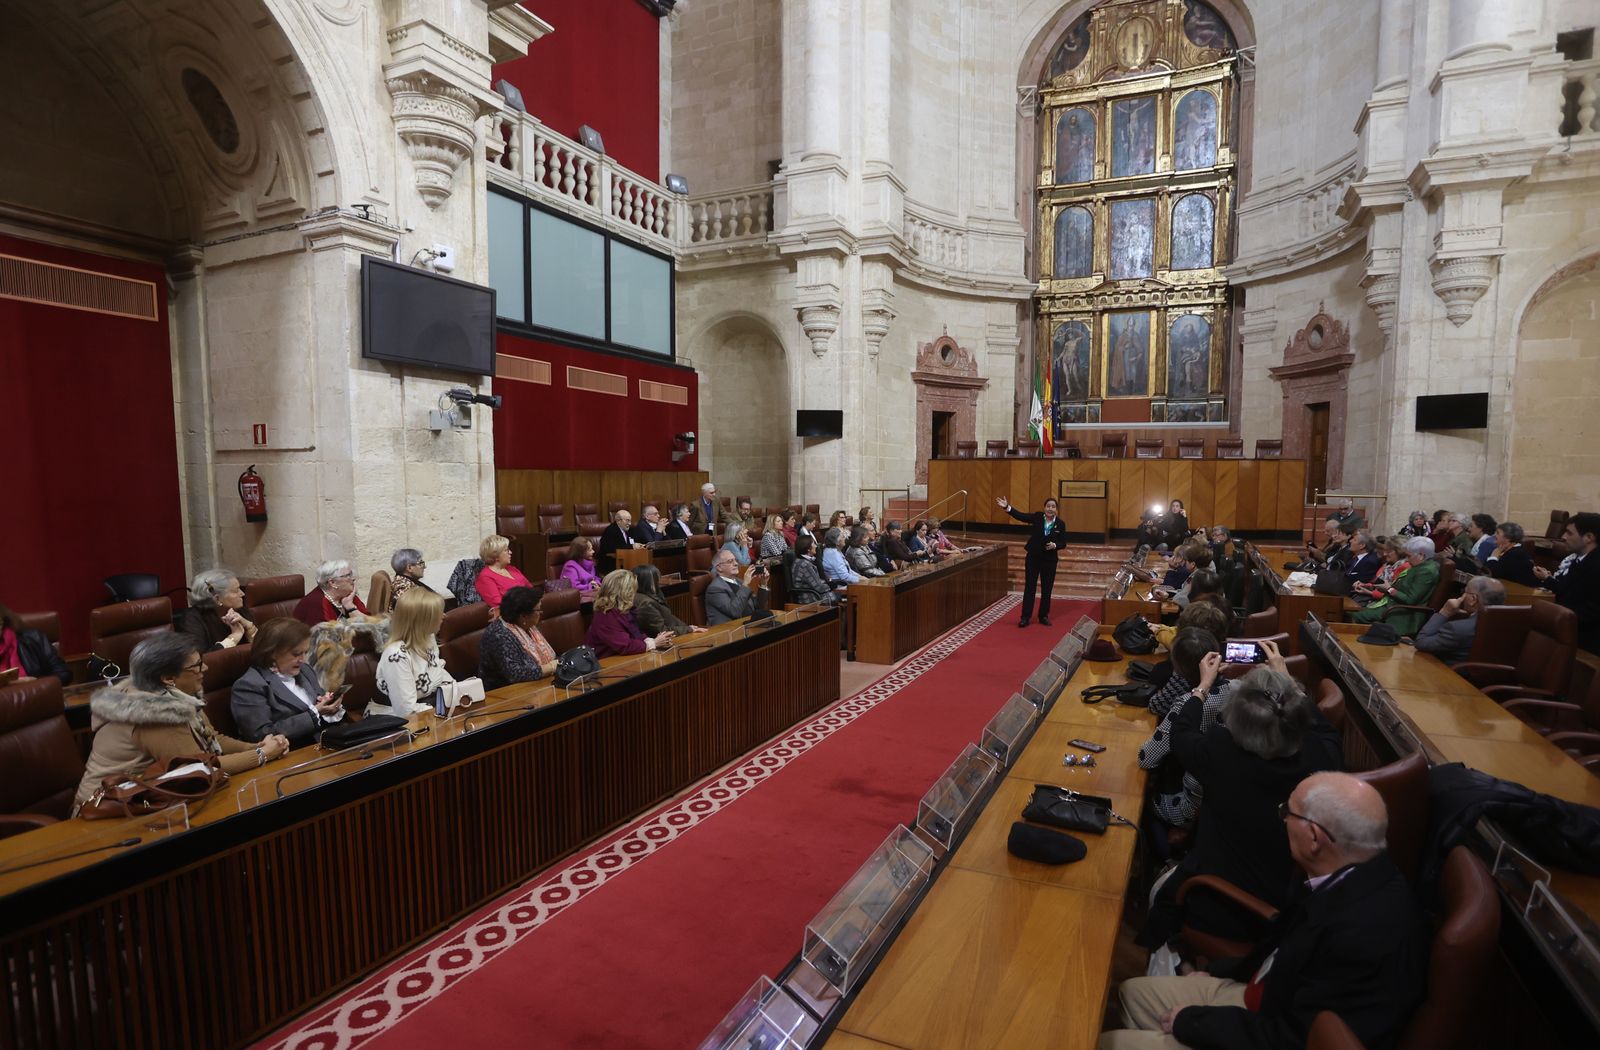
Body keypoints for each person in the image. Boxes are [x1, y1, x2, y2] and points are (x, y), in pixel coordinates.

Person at [1102, 773, 1422, 1050]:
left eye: (1288, 812)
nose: (1282, 818)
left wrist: (1191, 1022)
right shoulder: (1353, 871)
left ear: (1314, 837)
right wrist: (1221, 972)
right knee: (1131, 993)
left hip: (1273, 1032)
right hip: (1269, 999)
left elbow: (1291, 1039)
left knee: (1099, 1043)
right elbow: (1279, 952)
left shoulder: (1360, 935)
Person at [1140, 656, 1343, 951]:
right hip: (1289, 899)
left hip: (1221, 903)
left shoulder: (1221, 751)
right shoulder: (1319, 754)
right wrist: (1288, 686)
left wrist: (1202, 686)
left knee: (1160, 897)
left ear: (1236, 717)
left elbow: (1181, 733)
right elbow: (1326, 731)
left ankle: (1174, 964)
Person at [75, 634, 289, 813]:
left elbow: (212, 738)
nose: (205, 668)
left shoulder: (173, 695)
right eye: (196, 665)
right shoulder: (154, 713)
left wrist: (257, 746)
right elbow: (198, 769)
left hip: (149, 799)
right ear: (168, 677)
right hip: (109, 810)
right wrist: (263, 755)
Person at [1139, 628, 1233, 835]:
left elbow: (1147, 758)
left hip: (1190, 805)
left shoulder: (1188, 705)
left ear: (1178, 669)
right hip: (1229, 800)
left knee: (1139, 798)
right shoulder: (1239, 690)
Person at [230, 617, 345, 746]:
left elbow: (320, 706)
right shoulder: (249, 686)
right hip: (291, 756)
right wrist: (315, 714)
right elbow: (260, 735)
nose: (303, 659)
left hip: (327, 743)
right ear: (272, 652)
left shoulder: (305, 670)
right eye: (296, 654)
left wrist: (330, 706)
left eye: (305, 652)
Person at [374, 587, 452, 717]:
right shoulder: (396, 655)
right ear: (422, 621)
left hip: (433, 708)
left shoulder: (428, 638)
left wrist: (459, 694)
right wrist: (445, 706)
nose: (443, 616)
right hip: (401, 722)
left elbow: (439, 672)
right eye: (437, 613)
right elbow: (406, 711)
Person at [996, 495, 1068, 627]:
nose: (1050, 509)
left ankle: (1043, 616)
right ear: (1044, 508)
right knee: (1030, 587)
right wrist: (1007, 507)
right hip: (1033, 557)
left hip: (1050, 560)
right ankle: (1025, 617)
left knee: (1047, 589)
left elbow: (1063, 543)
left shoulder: (1061, 524)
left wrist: (1055, 546)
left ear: (1056, 510)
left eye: (1053, 507)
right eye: (1048, 506)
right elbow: (1021, 516)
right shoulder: (1037, 517)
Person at [1535, 512, 1600, 652]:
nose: (1563, 537)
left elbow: (1592, 611)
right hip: (1567, 631)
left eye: (1569, 533)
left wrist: (1554, 616)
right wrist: (1547, 580)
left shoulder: (1595, 565)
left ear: (1589, 537)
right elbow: (1564, 589)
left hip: (1586, 643)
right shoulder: (1579, 560)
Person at [1349, 537, 1440, 635]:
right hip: (1391, 606)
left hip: (1402, 614)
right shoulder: (1419, 566)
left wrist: (1389, 589)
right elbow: (1399, 586)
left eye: (1409, 556)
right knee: (1351, 612)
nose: (1407, 560)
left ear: (1421, 555)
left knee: (1352, 616)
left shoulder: (1426, 571)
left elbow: (1410, 600)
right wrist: (1374, 587)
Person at [478, 585, 558, 689]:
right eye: (538, 610)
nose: (541, 613)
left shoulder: (526, 626)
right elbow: (515, 674)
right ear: (523, 616)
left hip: (533, 685)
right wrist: (551, 667)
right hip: (504, 693)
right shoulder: (499, 635)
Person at [1415, 575, 1506, 665]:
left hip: (1451, 676)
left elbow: (1421, 642)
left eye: (1464, 591)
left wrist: (1444, 612)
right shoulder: (1513, 626)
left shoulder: (1457, 629)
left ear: (1473, 599)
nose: (1462, 595)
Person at [586, 570, 674, 656]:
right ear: (624, 592)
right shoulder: (605, 615)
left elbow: (636, 634)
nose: (635, 593)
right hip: (606, 663)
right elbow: (625, 646)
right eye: (633, 589)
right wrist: (654, 643)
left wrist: (655, 640)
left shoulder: (623, 608)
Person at [174, 570, 258, 652]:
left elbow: (264, 649)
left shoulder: (240, 610)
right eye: (236, 590)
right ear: (217, 598)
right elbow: (200, 660)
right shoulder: (191, 620)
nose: (242, 594)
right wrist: (234, 637)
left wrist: (250, 627)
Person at [0, 601, 71, 685]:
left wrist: (35, 683)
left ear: (3, 620)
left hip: (36, 696)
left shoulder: (34, 639)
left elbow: (64, 674)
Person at [631, 564, 706, 637]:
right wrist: (688, 629)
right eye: (656, 579)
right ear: (648, 582)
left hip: (674, 633)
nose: (659, 581)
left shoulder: (652, 594)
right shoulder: (646, 603)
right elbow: (662, 631)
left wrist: (688, 628)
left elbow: (670, 617)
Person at [293, 560, 368, 625]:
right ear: (332, 582)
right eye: (348, 575)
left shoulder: (346, 595)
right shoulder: (316, 603)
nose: (353, 578)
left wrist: (350, 607)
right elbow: (327, 636)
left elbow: (371, 624)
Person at [706, 549, 766, 625]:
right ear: (719, 567)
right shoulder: (715, 589)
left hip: (747, 626)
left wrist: (764, 584)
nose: (736, 564)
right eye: (730, 561)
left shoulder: (739, 581)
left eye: (735, 560)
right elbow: (734, 612)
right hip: (728, 631)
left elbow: (758, 606)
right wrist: (745, 584)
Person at [476, 534, 535, 609]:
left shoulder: (512, 569)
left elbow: (530, 588)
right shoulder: (485, 577)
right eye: (506, 550)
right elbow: (498, 604)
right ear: (496, 555)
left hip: (529, 608)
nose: (510, 552)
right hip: (512, 615)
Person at [788, 535, 837, 604]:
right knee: (841, 596)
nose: (816, 546)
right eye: (813, 544)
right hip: (811, 598)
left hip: (816, 594)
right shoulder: (804, 564)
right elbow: (818, 586)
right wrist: (831, 585)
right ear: (808, 548)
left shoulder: (807, 560)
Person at [1485, 522, 1537, 586]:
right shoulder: (1506, 551)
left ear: (1508, 538)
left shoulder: (1516, 554)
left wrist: (1493, 556)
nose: (1494, 535)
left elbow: (1492, 573)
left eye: (1498, 533)